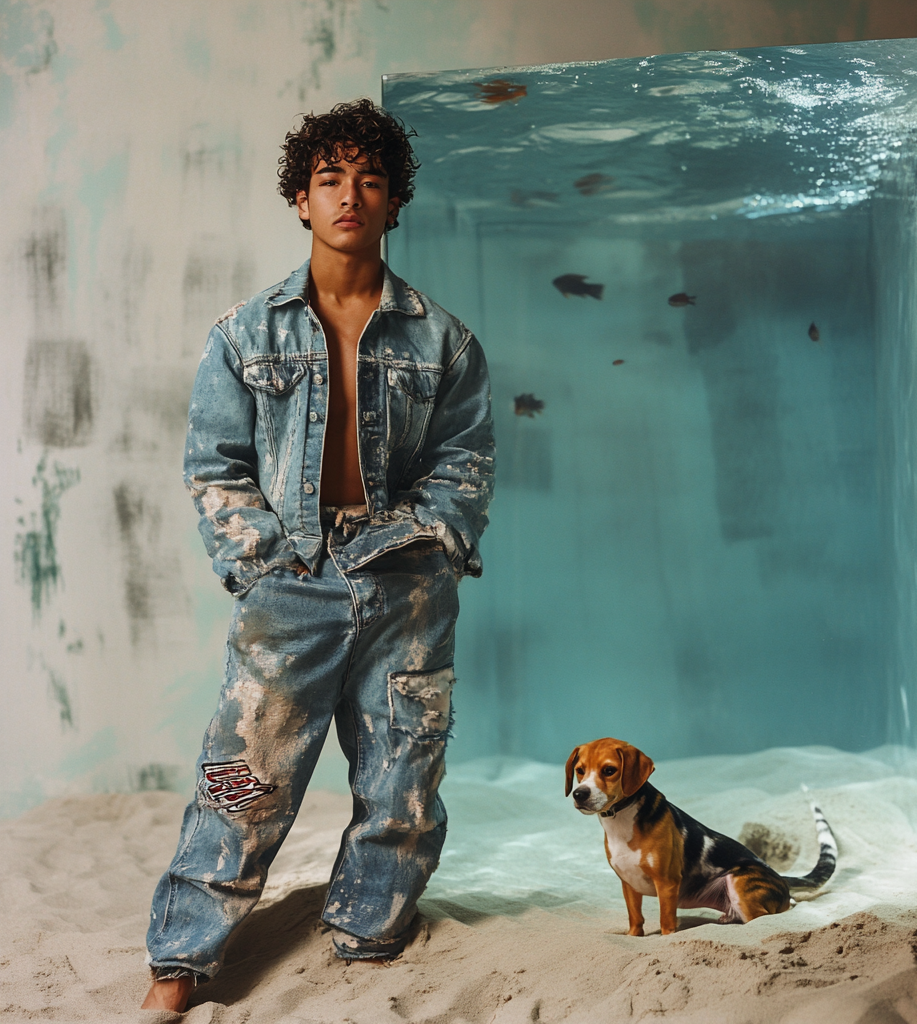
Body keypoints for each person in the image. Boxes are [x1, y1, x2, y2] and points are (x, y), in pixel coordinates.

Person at [142, 99, 494, 1012]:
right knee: (241, 778)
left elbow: (465, 464)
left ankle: (370, 937)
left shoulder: (443, 340)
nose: (350, 195)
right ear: (301, 198)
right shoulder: (244, 334)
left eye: (369, 179)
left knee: (402, 781)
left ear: (393, 201)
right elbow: (213, 467)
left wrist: (432, 542)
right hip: (290, 580)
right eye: (330, 178)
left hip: (406, 582)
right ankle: (181, 961)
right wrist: (263, 562)